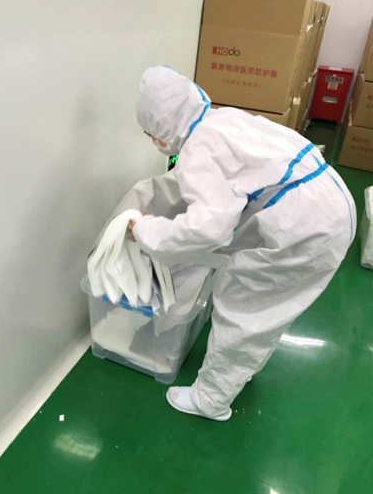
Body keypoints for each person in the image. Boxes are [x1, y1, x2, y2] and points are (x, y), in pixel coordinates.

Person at [128, 66, 355, 421]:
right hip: (332, 201)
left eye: (150, 134)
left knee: (244, 303)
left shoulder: (196, 152)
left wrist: (144, 229)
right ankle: (240, 369)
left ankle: (210, 400)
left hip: (306, 225)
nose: (154, 142)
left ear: (161, 130)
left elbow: (209, 230)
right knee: (269, 305)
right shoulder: (223, 120)